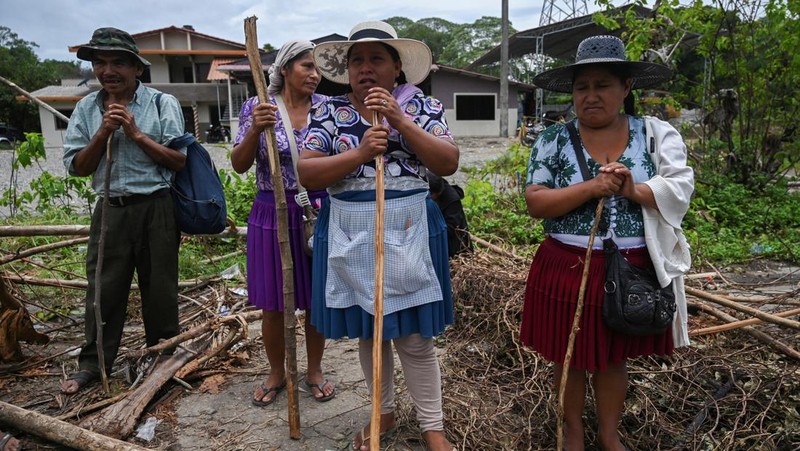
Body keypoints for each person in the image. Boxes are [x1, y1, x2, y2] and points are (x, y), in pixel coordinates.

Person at [519, 35, 693, 450]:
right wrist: (593, 187)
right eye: (582, 87)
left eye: (603, 85)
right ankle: (572, 431)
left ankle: (609, 434)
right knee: (569, 357)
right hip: (566, 265)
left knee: (613, 358)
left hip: (630, 268)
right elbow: (536, 201)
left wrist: (634, 190)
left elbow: (680, 187)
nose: (591, 96)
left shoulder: (654, 134)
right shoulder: (553, 140)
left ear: (626, 88)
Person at [298, 20, 458, 451]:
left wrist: (401, 123)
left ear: (396, 67)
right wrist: (360, 152)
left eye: (376, 59)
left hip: (409, 226)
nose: (365, 68)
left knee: (414, 336)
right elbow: (307, 170)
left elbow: (447, 162)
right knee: (373, 332)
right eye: (357, 61)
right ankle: (381, 413)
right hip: (352, 230)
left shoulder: (420, 106)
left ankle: (432, 426)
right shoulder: (328, 111)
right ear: (347, 69)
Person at [61, 27, 186, 394]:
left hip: (157, 208)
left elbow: (178, 160)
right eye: (100, 63)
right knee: (103, 289)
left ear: (137, 69)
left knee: (160, 289)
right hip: (111, 210)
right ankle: (93, 364)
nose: (107, 70)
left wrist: (135, 134)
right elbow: (78, 168)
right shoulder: (86, 109)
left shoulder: (162, 104)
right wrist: (102, 133)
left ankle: (162, 359)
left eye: (117, 62)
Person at [231, 40, 335, 406]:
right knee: (273, 302)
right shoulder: (257, 107)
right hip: (270, 210)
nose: (315, 74)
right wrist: (256, 130)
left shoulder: (327, 109)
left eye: (317, 68)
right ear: (285, 69)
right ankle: (277, 372)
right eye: (307, 66)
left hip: (318, 210)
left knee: (316, 298)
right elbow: (239, 164)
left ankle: (315, 370)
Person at [427, 173, 472, 257]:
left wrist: (431, 233)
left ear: (438, 193)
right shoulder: (431, 189)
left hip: (453, 242)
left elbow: (451, 228)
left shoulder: (452, 200)